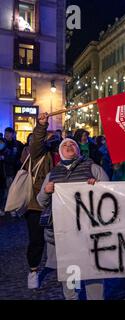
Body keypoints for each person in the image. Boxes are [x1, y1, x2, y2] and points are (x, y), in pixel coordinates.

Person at [37, 137, 109, 300]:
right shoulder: (53, 173)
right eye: (65, 145)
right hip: (65, 232)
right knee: (71, 267)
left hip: (89, 229)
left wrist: (97, 186)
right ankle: (72, 297)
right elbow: (42, 201)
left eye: (72, 145)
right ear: (60, 152)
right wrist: (46, 191)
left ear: (78, 150)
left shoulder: (93, 168)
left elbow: (109, 193)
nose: (69, 146)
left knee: (92, 266)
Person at [22, 113, 59, 289]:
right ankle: (34, 271)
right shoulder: (39, 153)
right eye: (52, 138)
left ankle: (68, 270)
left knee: (64, 239)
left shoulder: (72, 159)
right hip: (37, 204)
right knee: (36, 240)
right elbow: (36, 142)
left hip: (61, 205)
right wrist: (41, 126)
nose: (58, 142)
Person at [0, 127, 24, 215]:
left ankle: (11, 209)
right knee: (5, 191)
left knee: (12, 190)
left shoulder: (17, 144)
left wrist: (5, 158)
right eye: (5, 133)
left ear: (13, 134)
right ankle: (5, 208)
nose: (7, 135)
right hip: (3, 170)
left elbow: (19, 156)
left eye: (8, 133)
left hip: (13, 170)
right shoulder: (1, 142)